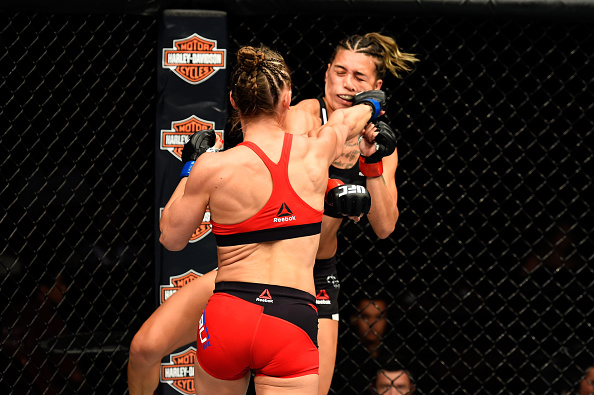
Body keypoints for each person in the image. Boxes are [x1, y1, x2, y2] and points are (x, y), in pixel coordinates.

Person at [128, 32, 417, 395]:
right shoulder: (298, 118)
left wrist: (371, 164)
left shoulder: (379, 142)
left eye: (358, 78)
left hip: (313, 278)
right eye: (340, 72)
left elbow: (385, 224)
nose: (346, 83)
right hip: (250, 265)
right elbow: (270, 174)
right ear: (326, 73)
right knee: (144, 347)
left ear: (374, 83)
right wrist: (333, 192)